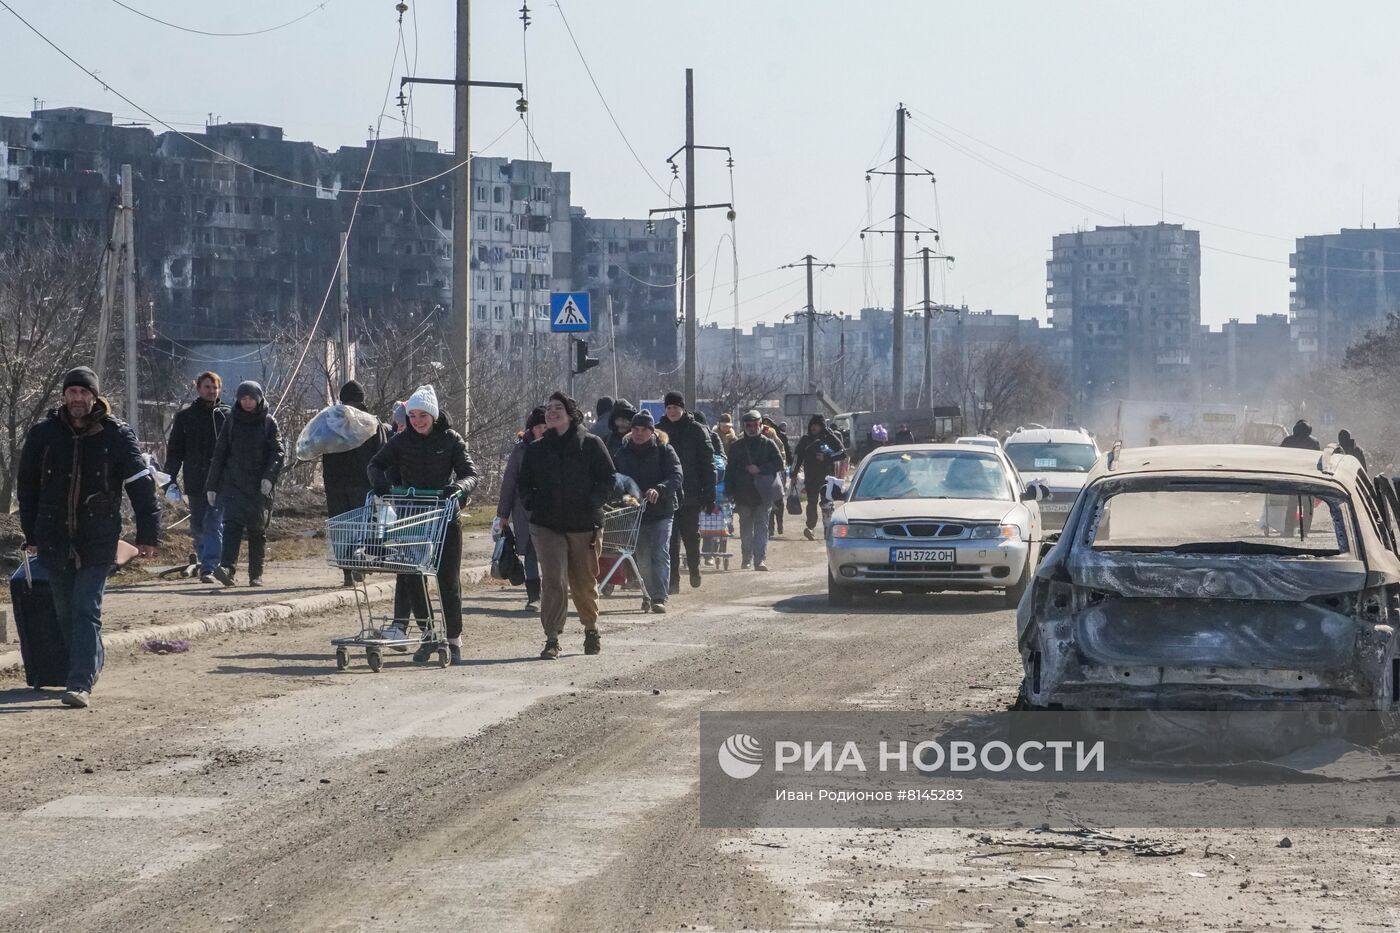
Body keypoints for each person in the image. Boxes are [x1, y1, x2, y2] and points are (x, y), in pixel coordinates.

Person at [17, 366, 161, 708]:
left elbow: (141, 485)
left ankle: (79, 681)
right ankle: (90, 662)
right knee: (65, 611)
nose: (77, 398)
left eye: (84, 393)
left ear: (94, 397)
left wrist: (147, 534)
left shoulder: (116, 435)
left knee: (85, 607)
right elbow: (27, 487)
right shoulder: (44, 434)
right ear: (64, 396)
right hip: (53, 537)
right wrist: (30, 533)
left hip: (98, 538)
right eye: (72, 392)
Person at [367, 384, 479, 664]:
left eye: (422, 415)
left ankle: (453, 640)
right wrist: (382, 486)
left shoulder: (451, 439)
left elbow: (470, 473)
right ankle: (428, 635)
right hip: (412, 516)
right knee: (413, 575)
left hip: (444, 517)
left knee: (447, 580)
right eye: (412, 415)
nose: (417, 421)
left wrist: (458, 488)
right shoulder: (402, 441)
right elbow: (375, 465)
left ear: (433, 414)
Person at [518, 391, 616, 659]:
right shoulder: (537, 449)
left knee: (583, 581)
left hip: (584, 524)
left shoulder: (592, 444)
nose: (551, 412)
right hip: (546, 524)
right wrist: (532, 504)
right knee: (553, 580)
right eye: (548, 408)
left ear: (571, 414)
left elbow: (608, 479)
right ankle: (552, 637)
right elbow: (523, 484)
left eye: (557, 407)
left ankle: (590, 628)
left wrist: (593, 502)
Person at [207, 381, 285, 588]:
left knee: (257, 531)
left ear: (258, 398)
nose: (247, 403)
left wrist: (269, 477)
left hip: (260, 488)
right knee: (231, 527)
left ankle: (255, 574)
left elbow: (278, 453)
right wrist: (212, 486)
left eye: (251, 398)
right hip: (233, 485)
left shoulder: (269, 423)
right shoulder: (231, 422)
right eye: (243, 399)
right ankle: (227, 569)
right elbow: (220, 454)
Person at [611, 410, 682, 613]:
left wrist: (659, 489)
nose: (639, 433)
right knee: (641, 555)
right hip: (636, 513)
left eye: (644, 429)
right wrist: (626, 494)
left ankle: (659, 597)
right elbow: (615, 478)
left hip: (662, 510)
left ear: (652, 432)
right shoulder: (622, 452)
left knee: (659, 552)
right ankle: (649, 595)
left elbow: (676, 475)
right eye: (635, 429)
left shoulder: (664, 450)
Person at [162, 371, 229, 583]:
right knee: (199, 524)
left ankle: (210, 566)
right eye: (208, 387)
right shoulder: (185, 418)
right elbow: (175, 452)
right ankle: (204, 562)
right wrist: (168, 481)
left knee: (214, 522)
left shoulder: (227, 415)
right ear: (198, 388)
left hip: (221, 481)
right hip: (196, 479)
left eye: (215, 387)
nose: (212, 391)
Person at [321, 379, 389, 587]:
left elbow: (320, 448)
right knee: (359, 526)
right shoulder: (372, 423)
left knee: (342, 527)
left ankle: (348, 571)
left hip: (337, 484)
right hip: (361, 483)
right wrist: (380, 482)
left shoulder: (332, 422)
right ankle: (356, 564)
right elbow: (383, 453)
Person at [658, 391, 716, 593]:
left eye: (675, 407)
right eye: (669, 407)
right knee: (670, 540)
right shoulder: (659, 431)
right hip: (668, 493)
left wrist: (709, 494)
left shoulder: (697, 430)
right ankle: (673, 580)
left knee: (691, 535)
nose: (672, 411)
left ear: (683, 408)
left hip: (691, 492)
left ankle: (694, 568)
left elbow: (708, 464)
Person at [496, 407, 547, 612]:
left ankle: (553, 595)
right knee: (532, 553)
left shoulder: (558, 447)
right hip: (525, 510)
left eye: (546, 426)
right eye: (538, 427)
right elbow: (509, 482)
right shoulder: (520, 450)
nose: (542, 430)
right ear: (531, 429)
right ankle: (534, 596)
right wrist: (503, 514)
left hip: (553, 511)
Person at [728, 410, 784, 571]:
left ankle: (759, 560)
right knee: (745, 528)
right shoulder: (737, 446)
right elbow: (730, 469)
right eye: (749, 425)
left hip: (763, 493)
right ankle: (746, 558)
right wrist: (729, 491)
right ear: (744, 426)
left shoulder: (768, 444)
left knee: (761, 527)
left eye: (755, 425)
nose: (752, 428)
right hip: (743, 494)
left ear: (760, 425)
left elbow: (779, 464)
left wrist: (759, 469)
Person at [790, 413, 846, 540]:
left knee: (827, 503)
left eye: (817, 425)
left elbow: (843, 454)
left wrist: (826, 457)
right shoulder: (806, 439)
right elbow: (797, 457)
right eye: (812, 425)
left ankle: (828, 529)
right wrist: (793, 473)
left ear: (822, 426)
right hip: (811, 477)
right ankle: (810, 528)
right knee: (811, 503)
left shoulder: (830, 438)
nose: (813, 428)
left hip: (827, 478)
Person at [1279, 419, 1321, 538]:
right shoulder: (1314, 442)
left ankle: (1288, 531)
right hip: (1309, 477)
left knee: (1292, 505)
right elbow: (1318, 460)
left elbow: (1279, 455)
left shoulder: (1288, 440)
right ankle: (1305, 531)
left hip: (1292, 476)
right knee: (1308, 506)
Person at [764, 416, 792, 538]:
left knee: (779, 500)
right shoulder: (757, 440)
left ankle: (779, 522)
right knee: (768, 501)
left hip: (778, 472)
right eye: (763, 423)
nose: (766, 425)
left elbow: (784, 452)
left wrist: (783, 464)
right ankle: (770, 528)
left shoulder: (776, 438)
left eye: (768, 423)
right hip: (765, 474)